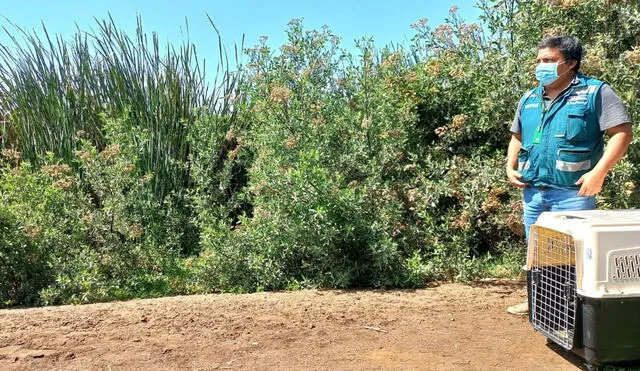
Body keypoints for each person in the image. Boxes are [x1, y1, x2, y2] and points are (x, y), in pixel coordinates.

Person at [505, 35, 633, 315]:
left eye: (549, 61)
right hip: (534, 190)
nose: (541, 66)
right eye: (539, 60)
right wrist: (509, 166)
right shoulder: (529, 97)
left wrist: (599, 173)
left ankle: (572, 311)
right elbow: (517, 135)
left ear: (571, 63)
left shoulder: (595, 92)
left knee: (574, 254)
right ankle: (539, 304)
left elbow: (622, 134)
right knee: (538, 253)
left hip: (573, 193)